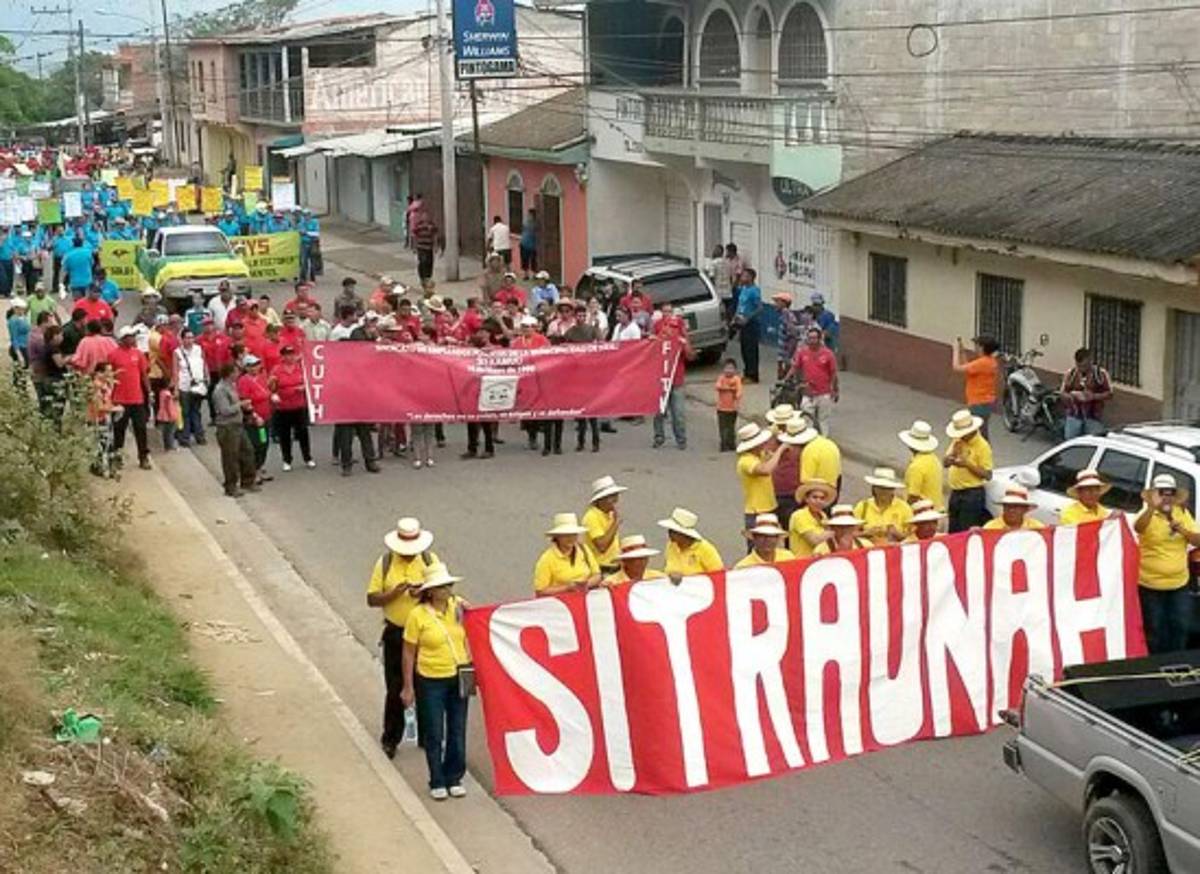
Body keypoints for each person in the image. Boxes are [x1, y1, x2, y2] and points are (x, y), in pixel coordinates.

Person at [367, 517, 439, 759]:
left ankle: (427, 735)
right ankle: (391, 738)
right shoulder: (386, 563)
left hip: (425, 633)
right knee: (396, 687)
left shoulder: (429, 560)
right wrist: (394, 594)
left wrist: (423, 593)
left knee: (427, 685)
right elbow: (372, 599)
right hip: (397, 633)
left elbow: (442, 592)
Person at [400, 562, 471, 800]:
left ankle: (454, 776)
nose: (447, 590)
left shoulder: (457, 607)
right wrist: (408, 687)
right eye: (442, 587)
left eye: (448, 585)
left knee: (458, 729)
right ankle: (437, 779)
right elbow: (408, 652)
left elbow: (473, 627)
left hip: (458, 674)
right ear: (430, 591)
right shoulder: (417, 616)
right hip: (431, 680)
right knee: (434, 731)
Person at [1134, 474, 1200, 653]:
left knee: (1180, 626)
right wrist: (1151, 507)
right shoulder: (1146, 513)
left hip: (1178, 584)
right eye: (1161, 492)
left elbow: (1198, 541)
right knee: (1154, 629)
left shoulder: (1182, 513)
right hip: (1150, 585)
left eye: (1169, 493)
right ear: (1154, 494)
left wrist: (1182, 530)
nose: (1166, 497)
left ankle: (1177, 660)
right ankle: (1156, 663)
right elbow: (1138, 527)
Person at [212, 361, 259, 497]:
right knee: (230, 457)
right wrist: (240, 405)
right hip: (227, 427)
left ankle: (248, 481)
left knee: (247, 451)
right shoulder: (220, 390)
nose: (238, 374)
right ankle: (231, 486)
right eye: (236, 372)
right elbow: (224, 410)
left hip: (238, 424)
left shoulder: (232, 386)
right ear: (230, 373)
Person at [108, 326, 152, 470]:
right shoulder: (113, 355)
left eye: (133, 336)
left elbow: (144, 375)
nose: (133, 339)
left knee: (141, 429)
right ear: (123, 339)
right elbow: (109, 376)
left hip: (137, 399)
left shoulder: (138, 354)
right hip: (119, 400)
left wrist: (149, 392)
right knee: (119, 430)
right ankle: (117, 457)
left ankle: (143, 457)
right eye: (130, 336)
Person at [944, 408, 994, 532]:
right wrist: (951, 457)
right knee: (953, 530)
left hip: (972, 494)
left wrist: (967, 464)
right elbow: (945, 463)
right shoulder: (958, 441)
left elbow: (988, 475)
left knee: (966, 531)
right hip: (956, 491)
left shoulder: (983, 446)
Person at [735, 423, 786, 539]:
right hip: (757, 510)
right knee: (758, 543)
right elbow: (765, 470)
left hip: (769, 506)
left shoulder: (759, 456)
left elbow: (772, 457)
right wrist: (781, 450)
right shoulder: (746, 461)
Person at [787, 326, 839, 435]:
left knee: (822, 420)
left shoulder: (828, 354)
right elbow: (795, 367)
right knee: (806, 420)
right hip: (808, 393)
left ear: (819, 339)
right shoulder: (802, 353)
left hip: (824, 393)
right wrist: (785, 379)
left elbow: (834, 373)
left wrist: (835, 390)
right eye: (810, 338)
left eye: (814, 338)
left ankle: (823, 440)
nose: (812, 341)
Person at [269, 344, 314, 471]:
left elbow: (309, 381)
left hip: (299, 405)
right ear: (283, 356)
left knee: (303, 433)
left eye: (292, 354)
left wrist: (304, 387)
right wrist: (275, 393)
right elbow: (272, 387)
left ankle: (307, 458)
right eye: (287, 355)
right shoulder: (277, 370)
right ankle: (287, 460)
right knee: (285, 435)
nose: (290, 357)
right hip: (283, 407)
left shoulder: (301, 368)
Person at [653, 305, 691, 450]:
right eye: (665, 311)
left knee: (678, 412)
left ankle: (681, 439)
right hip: (661, 377)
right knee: (659, 411)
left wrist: (683, 343)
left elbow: (690, 355)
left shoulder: (679, 326)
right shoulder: (657, 325)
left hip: (677, 378)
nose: (667, 314)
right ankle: (659, 437)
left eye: (669, 311)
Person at [533, 513, 601, 595]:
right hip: (561, 601)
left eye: (573, 534)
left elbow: (597, 575)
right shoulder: (547, 559)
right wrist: (567, 588)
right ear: (557, 537)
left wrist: (585, 585)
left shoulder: (584, 549)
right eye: (566, 535)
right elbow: (540, 591)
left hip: (584, 598)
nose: (571, 538)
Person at [952, 335, 999, 440]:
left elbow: (956, 367)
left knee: (978, 434)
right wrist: (962, 351)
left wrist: (955, 350)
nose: (975, 347)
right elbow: (967, 368)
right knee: (980, 432)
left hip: (978, 402)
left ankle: (984, 450)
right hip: (983, 402)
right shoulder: (989, 361)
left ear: (982, 347)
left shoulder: (982, 363)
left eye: (977, 345)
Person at [1060, 347, 1113, 439]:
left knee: (1095, 440)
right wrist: (1072, 396)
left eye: (1084, 366)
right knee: (1071, 440)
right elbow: (1062, 393)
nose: (1081, 369)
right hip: (1074, 415)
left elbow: (1110, 394)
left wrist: (1093, 396)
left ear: (1090, 361)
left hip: (1093, 416)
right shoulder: (1071, 373)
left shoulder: (1100, 374)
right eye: (1079, 366)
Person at [854, 467, 914, 546]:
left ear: (893, 489)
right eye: (880, 488)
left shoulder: (904, 508)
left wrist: (898, 535)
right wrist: (866, 533)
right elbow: (850, 534)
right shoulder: (863, 507)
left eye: (887, 488)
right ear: (874, 488)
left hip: (895, 551)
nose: (884, 491)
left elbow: (913, 538)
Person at [658, 507, 724, 576]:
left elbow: (719, 575)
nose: (669, 533)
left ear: (683, 534)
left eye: (673, 531)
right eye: (669, 530)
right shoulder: (671, 546)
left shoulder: (705, 549)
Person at [583, 476, 627, 575]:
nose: (615, 500)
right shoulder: (591, 517)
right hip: (602, 569)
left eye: (616, 495)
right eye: (611, 497)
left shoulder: (610, 514)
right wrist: (615, 523)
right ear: (600, 500)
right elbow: (602, 546)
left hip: (615, 567)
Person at [174, 328, 208, 447]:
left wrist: (206, 377)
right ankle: (185, 437)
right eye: (187, 338)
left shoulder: (198, 349)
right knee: (185, 413)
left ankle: (199, 435)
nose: (190, 340)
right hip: (184, 386)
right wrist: (176, 389)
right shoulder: (177, 352)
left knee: (196, 411)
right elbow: (175, 371)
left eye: (191, 338)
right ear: (182, 339)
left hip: (198, 385)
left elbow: (204, 364)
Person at [900, 419, 944, 510]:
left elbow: (913, 496)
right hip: (936, 508)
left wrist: (905, 511)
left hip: (922, 511)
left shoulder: (916, 466)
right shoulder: (933, 459)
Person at [788, 479, 837, 558]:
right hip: (802, 560)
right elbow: (814, 541)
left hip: (820, 559)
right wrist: (836, 531)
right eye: (815, 497)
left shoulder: (823, 515)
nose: (818, 501)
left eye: (822, 498)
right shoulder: (799, 515)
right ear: (806, 499)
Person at [796, 416, 841, 496]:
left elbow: (805, 481)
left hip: (817, 494)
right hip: (832, 490)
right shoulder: (829, 443)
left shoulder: (809, 450)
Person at [733, 268, 763, 383]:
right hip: (741, 322)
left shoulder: (754, 291)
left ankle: (753, 375)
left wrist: (748, 318)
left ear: (751, 278)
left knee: (751, 349)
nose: (742, 278)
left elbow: (759, 308)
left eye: (745, 276)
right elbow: (740, 305)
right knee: (744, 349)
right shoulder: (743, 289)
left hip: (751, 324)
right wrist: (735, 317)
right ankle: (747, 372)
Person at [772, 293, 804, 382]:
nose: (775, 304)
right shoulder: (784, 315)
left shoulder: (787, 315)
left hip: (787, 352)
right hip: (784, 353)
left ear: (784, 303)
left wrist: (788, 356)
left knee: (788, 377)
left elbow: (793, 335)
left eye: (777, 302)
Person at [715, 358, 743, 452]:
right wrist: (728, 388)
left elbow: (739, 391)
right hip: (721, 408)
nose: (729, 370)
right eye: (727, 368)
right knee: (723, 427)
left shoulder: (737, 379)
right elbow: (717, 386)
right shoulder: (721, 378)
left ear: (735, 370)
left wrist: (736, 394)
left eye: (731, 368)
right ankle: (723, 444)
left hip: (733, 408)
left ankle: (731, 443)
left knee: (731, 427)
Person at [411, 207, 438, 287]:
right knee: (423, 262)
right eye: (424, 216)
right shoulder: (419, 225)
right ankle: (422, 277)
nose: (425, 217)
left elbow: (435, 236)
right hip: (421, 247)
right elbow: (414, 236)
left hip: (429, 247)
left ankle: (428, 277)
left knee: (429, 262)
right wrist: (414, 246)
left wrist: (435, 246)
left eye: (427, 216)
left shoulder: (431, 225)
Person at [722, 243, 745, 323]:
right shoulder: (727, 260)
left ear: (732, 252)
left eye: (728, 251)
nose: (726, 253)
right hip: (727, 285)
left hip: (737, 286)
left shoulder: (739, 260)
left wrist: (733, 287)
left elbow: (738, 275)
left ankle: (734, 321)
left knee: (735, 304)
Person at [519, 209, 538, 279]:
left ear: (533, 215)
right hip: (524, 243)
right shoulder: (525, 222)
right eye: (528, 214)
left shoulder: (535, 223)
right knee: (525, 260)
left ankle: (534, 274)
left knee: (533, 260)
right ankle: (526, 275)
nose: (529, 216)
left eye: (530, 215)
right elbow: (522, 230)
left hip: (533, 245)